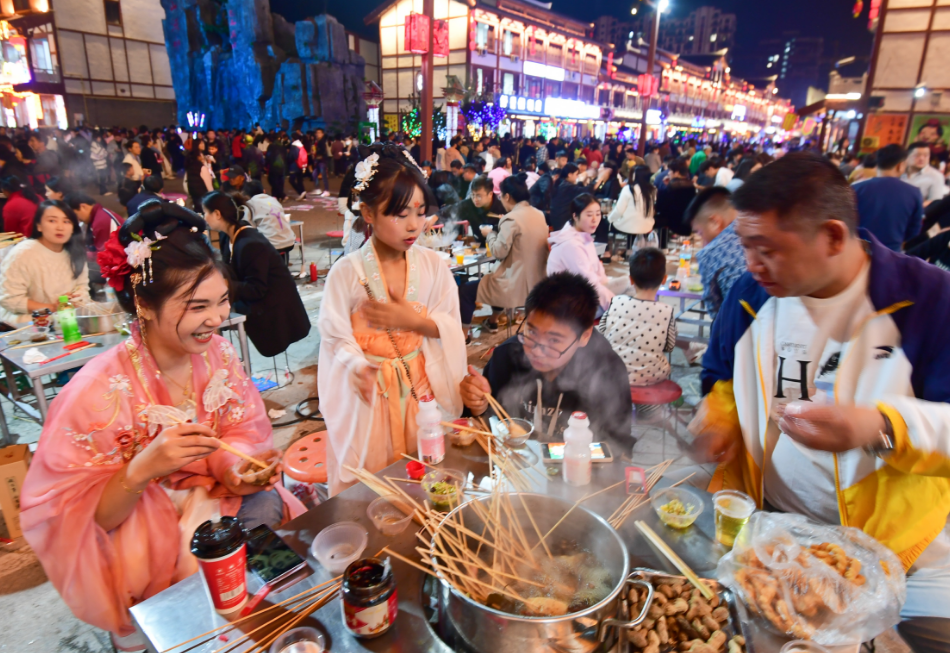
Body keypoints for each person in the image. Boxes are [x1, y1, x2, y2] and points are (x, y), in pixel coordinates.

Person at [692, 152, 950, 652]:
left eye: (766, 248)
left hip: (894, 555)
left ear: (833, 236)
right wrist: (720, 420)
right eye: (744, 246)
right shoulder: (751, 295)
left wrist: (876, 427)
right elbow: (721, 376)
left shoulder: (930, 302)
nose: (750, 264)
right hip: (774, 539)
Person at [19, 202, 305, 652]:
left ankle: (259, 624)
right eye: (197, 307)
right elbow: (85, 518)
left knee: (276, 550)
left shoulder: (219, 357)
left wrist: (236, 469)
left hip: (222, 505)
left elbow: (240, 433)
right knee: (183, 618)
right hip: (142, 533)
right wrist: (142, 468)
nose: (216, 320)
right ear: (143, 305)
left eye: (222, 301)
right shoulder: (98, 391)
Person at [318, 143, 465, 495]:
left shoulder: (432, 266)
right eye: (399, 214)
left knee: (426, 472)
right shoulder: (347, 273)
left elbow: (449, 324)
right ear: (368, 213)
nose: (413, 225)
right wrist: (356, 366)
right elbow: (335, 335)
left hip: (421, 389)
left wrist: (413, 321)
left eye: (419, 212)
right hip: (372, 394)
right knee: (374, 487)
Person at [460, 272, 633, 443]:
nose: (536, 350)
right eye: (532, 332)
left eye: (554, 340)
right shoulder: (507, 356)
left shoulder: (607, 372)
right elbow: (485, 426)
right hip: (515, 463)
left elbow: (618, 445)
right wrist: (478, 406)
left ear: (584, 335)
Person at [202, 192, 309, 357]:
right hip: (260, 308)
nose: (204, 218)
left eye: (205, 213)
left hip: (276, 315)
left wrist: (226, 285)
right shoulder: (228, 237)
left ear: (217, 214)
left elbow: (256, 289)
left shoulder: (250, 243)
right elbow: (230, 268)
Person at [458, 174, 548, 336]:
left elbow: (499, 252)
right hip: (537, 282)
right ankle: (492, 321)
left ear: (507, 196)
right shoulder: (539, 214)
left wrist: (490, 233)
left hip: (514, 285)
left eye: (501, 196)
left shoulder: (511, 218)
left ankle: (463, 336)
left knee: (465, 290)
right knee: (492, 277)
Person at [0, 200, 90, 325]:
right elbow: (10, 299)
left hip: (66, 321)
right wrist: (53, 307)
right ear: (39, 226)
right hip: (26, 327)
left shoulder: (75, 252)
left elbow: (82, 287)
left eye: (66, 221)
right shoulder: (22, 253)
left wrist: (75, 300)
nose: (60, 227)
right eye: (52, 220)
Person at [598, 247, 675, 391]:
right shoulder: (666, 311)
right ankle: (649, 411)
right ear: (664, 279)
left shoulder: (615, 302)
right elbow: (669, 346)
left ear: (631, 280)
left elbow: (602, 332)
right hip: (652, 375)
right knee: (665, 364)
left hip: (613, 374)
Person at [547, 193, 624, 312]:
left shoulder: (583, 237)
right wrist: (617, 308)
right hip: (573, 305)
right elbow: (590, 284)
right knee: (628, 299)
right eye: (589, 215)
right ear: (575, 216)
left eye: (598, 214)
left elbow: (599, 275)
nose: (595, 220)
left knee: (632, 283)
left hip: (586, 294)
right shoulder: (571, 244)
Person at [686, 187, 746, 320]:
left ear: (714, 222)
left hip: (740, 328)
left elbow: (715, 310)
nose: (703, 243)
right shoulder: (755, 232)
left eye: (700, 233)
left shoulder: (711, 252)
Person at [852, 144, 923, 251]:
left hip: (858, 249)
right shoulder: (914, 193)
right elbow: (914, 231)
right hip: (891, 252)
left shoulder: (857, 188)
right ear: (900, 165)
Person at [608, 165, 656, 249]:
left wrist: (609, 219)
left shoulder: (628, 189)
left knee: (604, 224)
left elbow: (619, 210)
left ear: (635, 175)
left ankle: (606, 252)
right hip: (647, 226)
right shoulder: (653, 190)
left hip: (628, 226)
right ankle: (630, 249)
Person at [244, 180, 296, 257]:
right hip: (290, 241)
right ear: (264, 191)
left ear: (246, 195)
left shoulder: (249, 205)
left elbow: (249, 227)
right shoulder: (273, 200)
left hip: (271, 246)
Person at [655, 160, 698, 239]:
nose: (668, 173)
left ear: (677, 172)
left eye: (670, 170)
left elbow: (661, 206)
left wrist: (664, 188)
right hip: (686, 224)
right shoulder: (691, 185)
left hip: (672, 225)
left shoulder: (672, 186)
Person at [457, 175, 505, 246]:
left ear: (490, 194)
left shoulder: (502, 207)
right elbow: (454, 209)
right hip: (479, 249)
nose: (475, 199)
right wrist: (436, 216)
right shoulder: (470, 204)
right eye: (473, 195)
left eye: (479, 196)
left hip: (499, 250)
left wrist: (493, 231)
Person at [548, 163, 585, 231]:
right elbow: (585, 191)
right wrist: (600, 179)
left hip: (556, 220)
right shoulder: (566, 186)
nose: (577, 177)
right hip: (562, 223)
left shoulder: (560, 183)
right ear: (569, 175)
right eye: (576, 174)